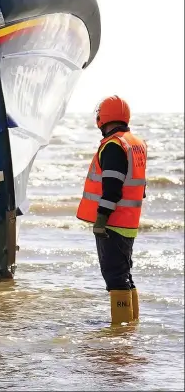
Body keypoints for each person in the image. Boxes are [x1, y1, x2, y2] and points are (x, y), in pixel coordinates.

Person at [76, 96, 148, 325]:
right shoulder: (135, 143)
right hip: (128, 222)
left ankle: (120, 333)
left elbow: (113, 188)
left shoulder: (114, 146)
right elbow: (138, 187)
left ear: (102, 118)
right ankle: (131, 325)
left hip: (114, 223)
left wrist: (101, 219)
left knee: (115, 278)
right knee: (124, 275)